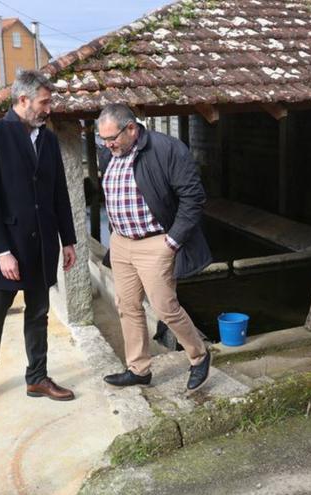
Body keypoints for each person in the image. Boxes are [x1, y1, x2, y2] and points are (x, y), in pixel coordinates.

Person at [0, 70, 78, 402]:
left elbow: (59, 193)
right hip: (7, 247)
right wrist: (1, 251)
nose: (49, 109)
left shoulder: (49, 139)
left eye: (50, 102)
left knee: (38, 312)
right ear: (23, 99)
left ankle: (38, 377)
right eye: (44, 102)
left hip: (42, 245)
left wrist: (68, 240)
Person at [97, 104, 213, 392]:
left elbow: (193, 198)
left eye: (112, 138)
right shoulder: (109, 153)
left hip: (155, 243)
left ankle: (199, 356)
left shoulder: (168, 149)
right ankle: (138, 368)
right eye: (103, 139)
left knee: (165, 306)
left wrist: (171, 242)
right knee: (127, 306)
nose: (107, 145)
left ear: (132, 129)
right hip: (122, 242)